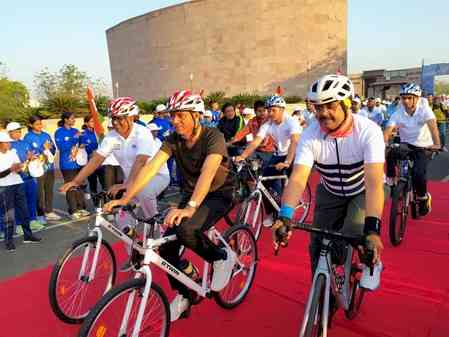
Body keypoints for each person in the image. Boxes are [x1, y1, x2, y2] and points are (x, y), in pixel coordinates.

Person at [103, 90, 237, 322]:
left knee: (186, 230)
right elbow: (151, 168)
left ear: (196, 116)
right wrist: (126, 198)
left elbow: (208, 172)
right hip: (191, 194)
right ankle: (185, 294)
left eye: (180, 115)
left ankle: (221, 257)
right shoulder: (173, 140)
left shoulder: (213, 136)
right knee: (165, 249)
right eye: (172, 115)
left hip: (219, 194)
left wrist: (190, 207)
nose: (174, 120)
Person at [273, 74, 386, 297]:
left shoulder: (368, 131)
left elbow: (374, 184)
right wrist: (284, 215)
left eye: (330, 105)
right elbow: (298, 178)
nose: (323, 113)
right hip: (330, 191)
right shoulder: (310, 134)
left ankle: (371, 261)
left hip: (361, 191)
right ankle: (322, 292)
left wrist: (373, 231)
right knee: (317, 245)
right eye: (318, 107)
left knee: (355, 232)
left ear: (346, 104)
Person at [60, 96, 170, 227]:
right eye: (113, 118)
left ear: (131, 117)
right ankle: (131, 243)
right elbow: (96, 160)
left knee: (144, 194)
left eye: (120, 118)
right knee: (123, 223)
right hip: (131, 180)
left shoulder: (142, 132)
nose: (116, 122)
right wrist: (76, 181)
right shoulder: (112, 137)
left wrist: (127, 184)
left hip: (156, 176)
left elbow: (141, 161)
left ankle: (156, 229)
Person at [235, 95, 302, 226]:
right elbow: (255, 142)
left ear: (282, 109)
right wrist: (242, 156)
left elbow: (294, 142)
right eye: (268, 110)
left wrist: (288, 162)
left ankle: (291, 204)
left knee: (290, 183)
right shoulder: (268, 125)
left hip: (295, 154)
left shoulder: (291, 122)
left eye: (273, 110)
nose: (270, 113)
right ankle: (272, 213)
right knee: (264, 183)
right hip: (279, 154)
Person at [384, 83, 441, 216]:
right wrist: (383, 142)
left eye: (409, 98)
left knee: (418, 173)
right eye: (404, 98)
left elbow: (433, 127)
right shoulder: (399, 112)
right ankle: (392, 182)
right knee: (390, 153)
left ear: (417, 98)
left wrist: (437, 144)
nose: (406, 101)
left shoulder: (424, 109)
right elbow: (388, 129)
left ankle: (423, 198)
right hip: (406, 144)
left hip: (423, 146)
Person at [0, 132, 41, 251]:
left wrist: (25, 162)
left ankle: (28, 236)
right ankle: (9, 241)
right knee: (9, 215)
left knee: (24, 211)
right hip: (4, 187)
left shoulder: (12, 153)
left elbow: (19, 168)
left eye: (9, 142)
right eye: (7, 142)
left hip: (18, 184)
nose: (9, 144)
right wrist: (10, 170)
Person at [6, 122, 43, 231]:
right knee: (18, 203)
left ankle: (33, 221)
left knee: (31, 200)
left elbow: (35, 154)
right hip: (17, 178)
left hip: (30, 177)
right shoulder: (8, 145)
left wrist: (34, 157)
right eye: (16, 132)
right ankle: (19, 225)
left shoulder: (25, 142)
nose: (18, 133)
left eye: (19, 131)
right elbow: (10, 162)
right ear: (10, 133)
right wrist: (26, 159)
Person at [23, 115, 60, 224]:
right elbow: (28, 153)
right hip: (37, 169)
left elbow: (53, 149)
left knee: (49, 191)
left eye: (41, 123)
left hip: (49, 168)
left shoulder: (46, 135)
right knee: (39, 193)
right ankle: (40, 214)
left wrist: (50, 150)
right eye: (37, 124)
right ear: (31, 125)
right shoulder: (28, 137)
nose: (40, 126)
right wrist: (42, 149)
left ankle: (49, 212)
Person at [55, 111, 88, 219]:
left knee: (79, 186)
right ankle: (73, 210)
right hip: (67, 164)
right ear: (66, 119)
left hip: (78, 163)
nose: (74, 120)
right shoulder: (59, 132)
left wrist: (83, 140)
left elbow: (82, 144)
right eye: (72, 118)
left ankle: (81, 208)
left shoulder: (76, 131)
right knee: (71, 187)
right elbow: (62, 148)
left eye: (74, 118)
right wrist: (74, 138)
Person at [229, 100, 275, 167]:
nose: (262, 113)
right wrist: (230, 143)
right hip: (256, 150)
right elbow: (241, 133)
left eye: (264, 111)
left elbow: (264, 142)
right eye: (259, 111)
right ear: (255, 111)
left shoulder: (270, 121)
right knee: (238, 150)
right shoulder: (252, 121)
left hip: (269, 151)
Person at [80, 115, 104, 195]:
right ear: (86, 123)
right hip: (90, 164)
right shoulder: (83, 135)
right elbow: (81, 150)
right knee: (93, 185)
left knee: (105, 185)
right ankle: (96, 205)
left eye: (95, 121)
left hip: (101, 164)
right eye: (91, 121)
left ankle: (107, 204)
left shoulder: (99, 133)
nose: (94, 123)